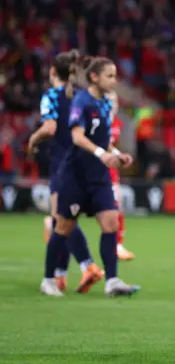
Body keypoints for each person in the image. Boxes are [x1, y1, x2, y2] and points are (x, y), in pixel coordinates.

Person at [53, 55, 140, 297]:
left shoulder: (103, 107)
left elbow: (105, 141)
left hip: (99, 174)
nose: (114, 82)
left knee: (110, 221)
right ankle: (54, 275)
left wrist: (117, 153)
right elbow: (77, 137)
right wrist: (103, 153)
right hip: (74, 172)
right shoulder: (81, 101)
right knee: (61, 225)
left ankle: (111, 280)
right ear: (94, 77)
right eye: (110, 76)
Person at [30, 50, 105, 296]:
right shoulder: (82, 97)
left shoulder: (51, 95)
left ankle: (71, 271)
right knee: (65, 220)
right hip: (85, 166)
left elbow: (50, 127)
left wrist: (33, 139)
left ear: (53, 72)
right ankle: (65, 273)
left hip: (63, 167)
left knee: (59, 221)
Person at [105, 92, 135, 261]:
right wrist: (117, 154)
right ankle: (52, 223)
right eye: (109, 102)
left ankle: (118, 245)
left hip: (110, 168)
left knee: (118, 205)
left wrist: (117, 155)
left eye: (115, 102)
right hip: (92, 167)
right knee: (75, 209)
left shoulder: (118, 122)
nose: (113, 105)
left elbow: (108, 144)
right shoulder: (97, 119)